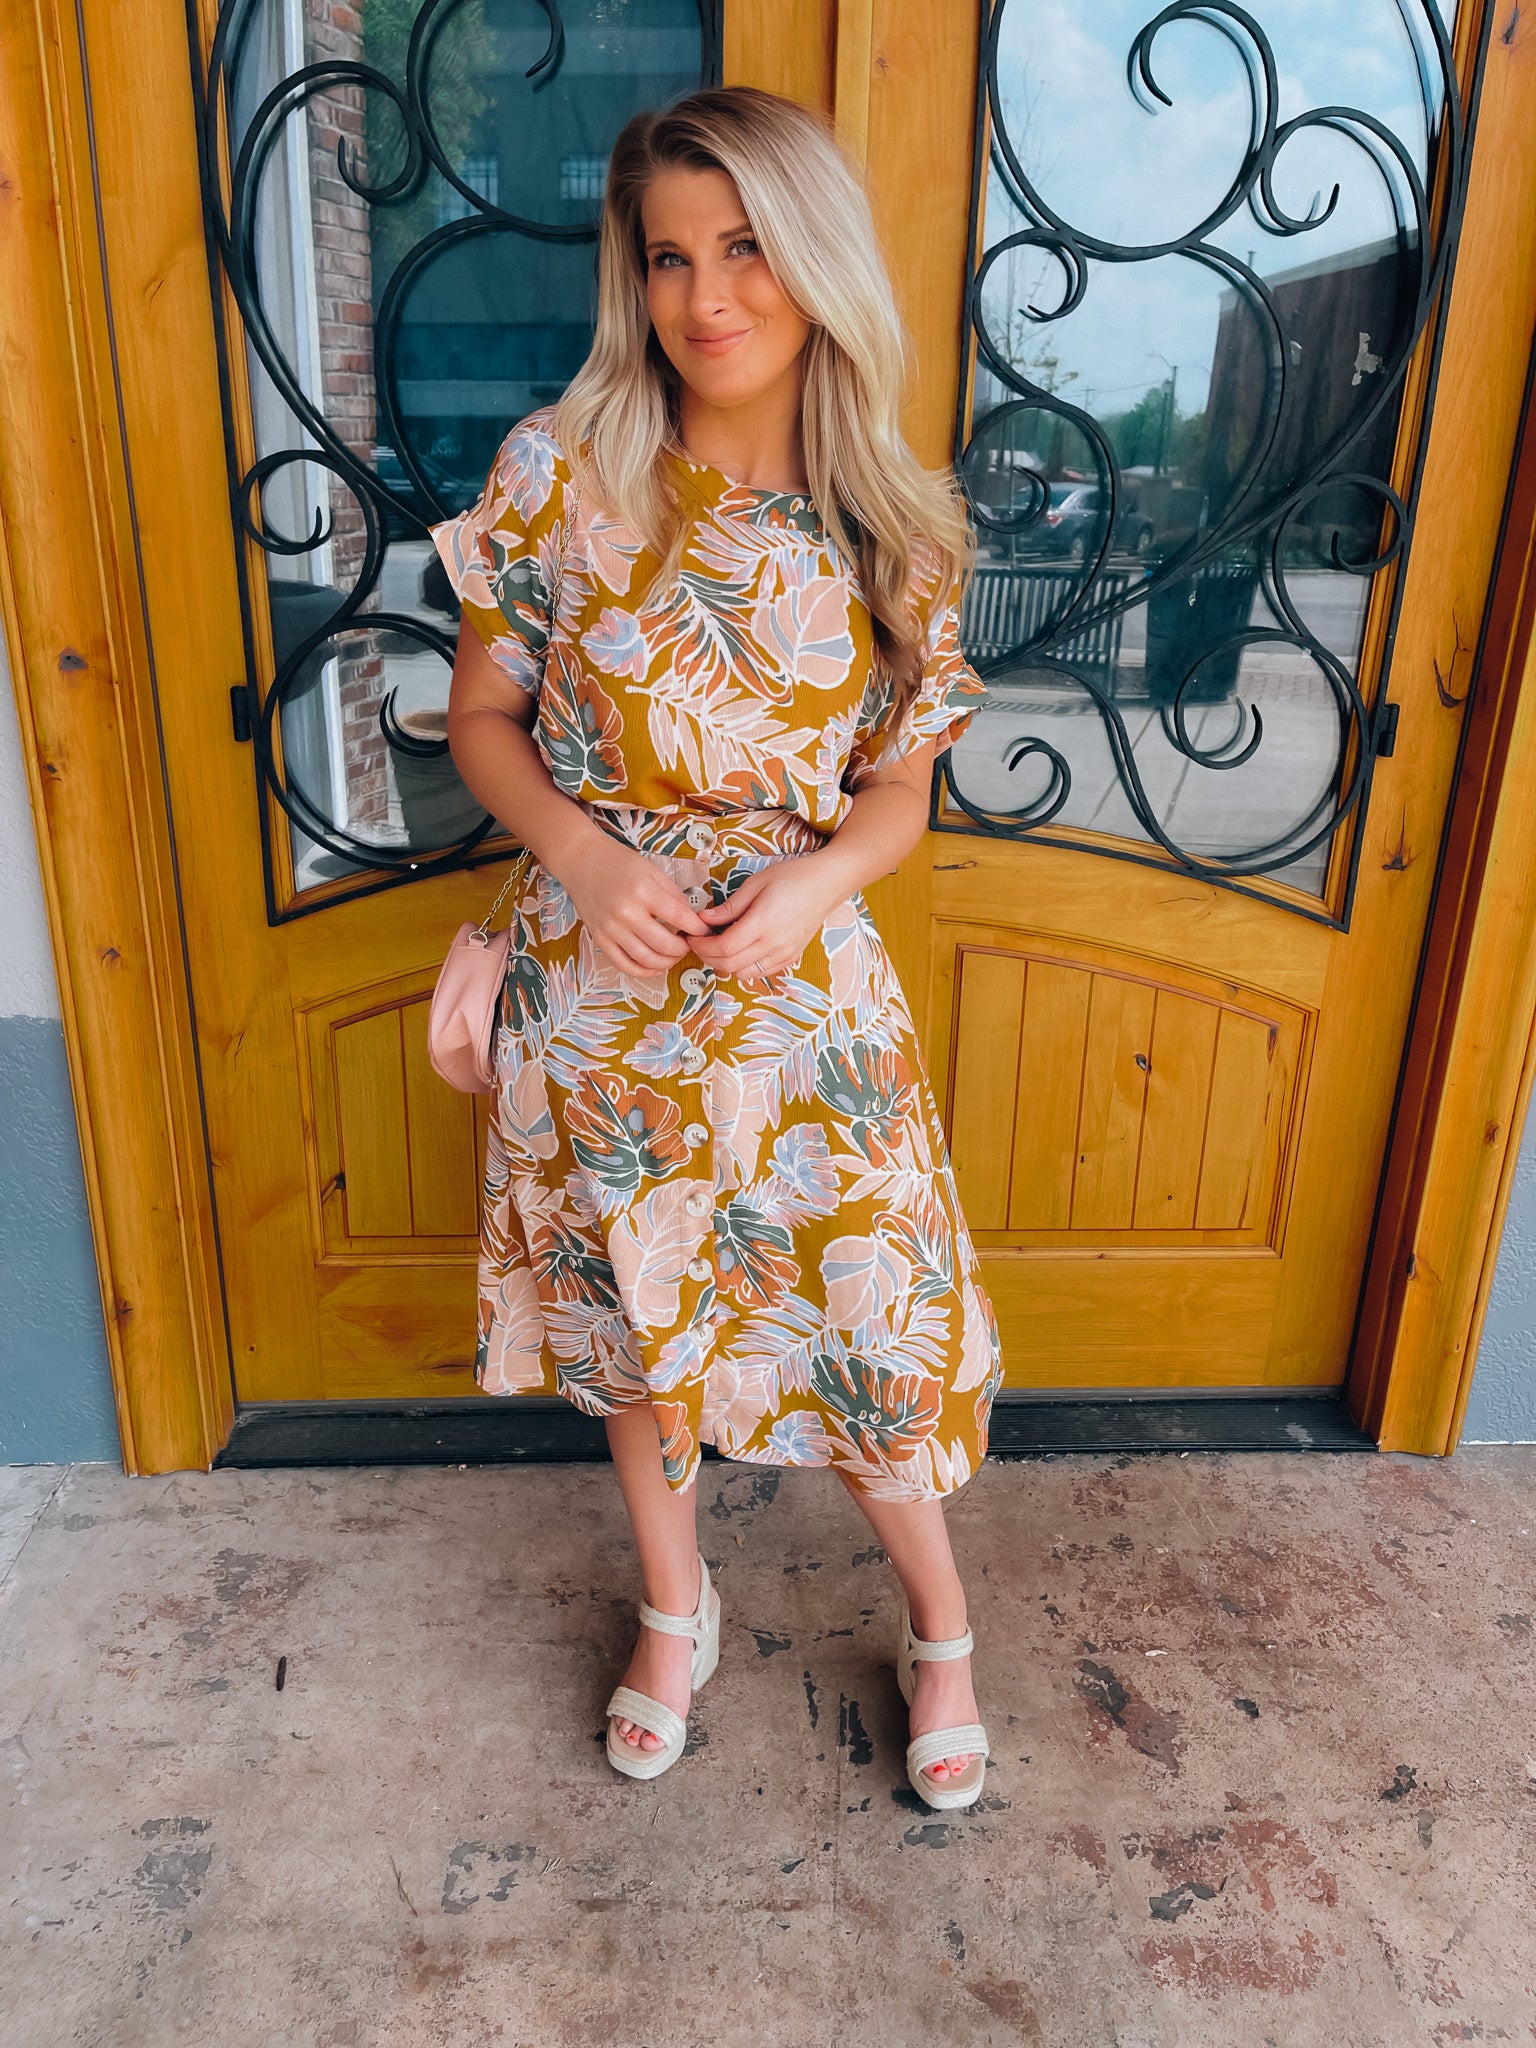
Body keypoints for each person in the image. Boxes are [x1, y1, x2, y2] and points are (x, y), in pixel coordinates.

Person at [430, 84, 1002, 1811]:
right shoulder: (559, 468)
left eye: (746, 246)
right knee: (634, 1324)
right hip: (599, 992)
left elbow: (899, 790)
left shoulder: (894, 516)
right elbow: (478, 721)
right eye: (669, 255)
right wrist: (585, 857)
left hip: (804, 1005)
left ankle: (943, 1629)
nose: (707, 295)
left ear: (815, 256)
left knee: (869, 1325)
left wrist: (825, 883)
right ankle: (677, 1611)